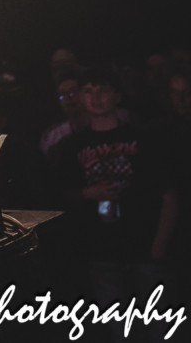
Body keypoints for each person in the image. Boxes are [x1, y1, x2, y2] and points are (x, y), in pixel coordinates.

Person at [49, 69, 178, 314]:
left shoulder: (143, 140)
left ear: (117, 96)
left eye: (103, 90)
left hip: (144, 248)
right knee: (119, 329)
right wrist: (87, 193)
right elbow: (58, 198)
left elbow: (168, 197)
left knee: (159, 326)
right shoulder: (71, 147)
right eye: (88, 91)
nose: (95, 97)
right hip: (101, 253)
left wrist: (158, 248)